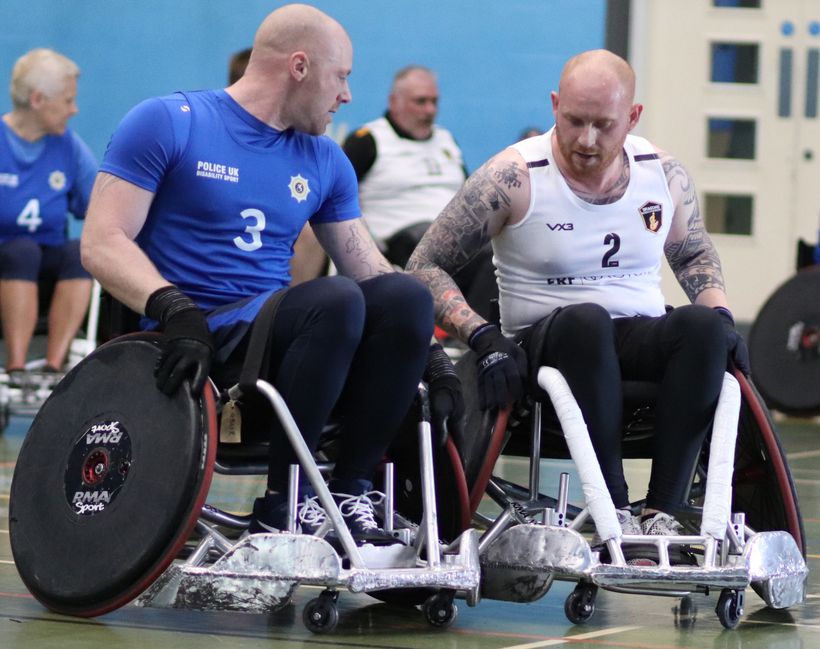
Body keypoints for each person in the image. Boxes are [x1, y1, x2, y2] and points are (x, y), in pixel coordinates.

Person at [82, 4, 460, 545]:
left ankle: (349, 493)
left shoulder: (325, 160)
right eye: (342, 76)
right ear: (300, 67)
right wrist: (173, 307)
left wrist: (435, 356)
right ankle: (289, 502)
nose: (347, 95)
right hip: (194, 339)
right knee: (334, 300)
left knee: (402, 296)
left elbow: (371, 270)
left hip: (279, 337)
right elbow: (100, 240)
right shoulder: (170, 122)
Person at [407, 49, 749, 561]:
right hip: (546, 340)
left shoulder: (663, 174)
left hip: (633, 333)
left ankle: (662, 512)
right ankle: (615, 509)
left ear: (632, 118)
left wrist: (721, 314)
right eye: (574, 121)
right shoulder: (513, 176)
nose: (587, 140)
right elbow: (424, 265)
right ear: (554, 106)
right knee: (586, 321)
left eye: (603, 125)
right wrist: (482, 336)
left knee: (703, 330)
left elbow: (693, 250)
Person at [342, 65, 497, 321]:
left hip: (454, 238)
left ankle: (474, 336)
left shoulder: (446, 140)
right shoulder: (368, 140)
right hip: (400, 242)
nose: (430, 110)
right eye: (420, 102)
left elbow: (470, 196)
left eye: (434, 102)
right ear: (395, 101)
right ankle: (461, 334)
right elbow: (338, 197)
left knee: (497, 253)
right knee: (435, 234)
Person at [0, 48, 96, 377]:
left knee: (80, 251)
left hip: (47, 263)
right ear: (38, 99)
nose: (74, 109)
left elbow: (96, 206)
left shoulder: (68, 146)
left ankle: (55, 367)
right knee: (22, 250)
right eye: (67, 101)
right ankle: (16, 367)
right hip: (7, 258)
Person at [227, 45, 327, 285]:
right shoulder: (210, 132)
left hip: (287, 284)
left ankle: (288, 311)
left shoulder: (312, 148)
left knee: (311, 231)